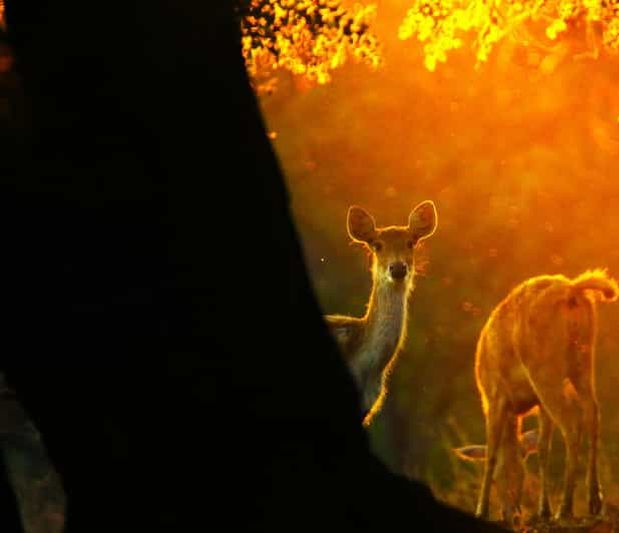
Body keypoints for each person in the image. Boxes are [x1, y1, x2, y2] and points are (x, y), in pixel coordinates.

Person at [0, 1, 507, 531]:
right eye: (385, 252)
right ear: (369, 249)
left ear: (418, 246)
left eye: (404, 253)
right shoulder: (334, 347)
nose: (397, 262)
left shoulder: (372, 371)